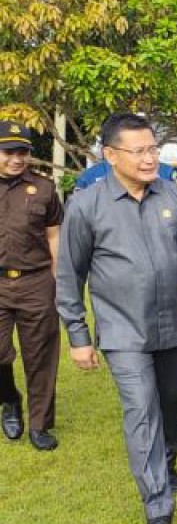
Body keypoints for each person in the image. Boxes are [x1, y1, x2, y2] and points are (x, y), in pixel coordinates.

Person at [56, 112, 177, 524]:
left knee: (172, 406)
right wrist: (78, 336)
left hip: (176, 328)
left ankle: (166, 465)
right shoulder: (86, 205)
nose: (150, 158)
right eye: (139, 151)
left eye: (153, 148)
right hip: (122, 333)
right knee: (141, 411)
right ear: (111, 156)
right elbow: (69, 275)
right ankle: (156, 505)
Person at [0, 121, 63, 451]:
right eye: (9, 151)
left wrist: (57, 280)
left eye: (22, 152)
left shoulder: (43, 188)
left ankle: (39, 424)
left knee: (40, 357)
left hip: (36, 281)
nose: (16, 158)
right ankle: (9, 398)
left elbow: (53, 235)